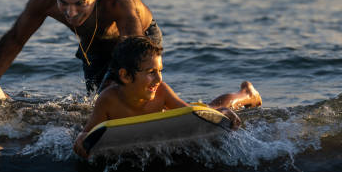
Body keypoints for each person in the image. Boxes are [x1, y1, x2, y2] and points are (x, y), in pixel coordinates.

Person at [0, 0, 162, 92]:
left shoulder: (117, 0)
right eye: (63, 2)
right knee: (96, 102)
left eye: (80, 3)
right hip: (93, 43)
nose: (71, 13)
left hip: (138, 39)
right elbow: (15, 38)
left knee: (118, 93)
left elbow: (134, 50)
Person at [73, 36, 262, 158]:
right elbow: (90, 132)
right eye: (150, 72)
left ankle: (247, 94)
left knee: (214, 106)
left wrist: (221, 112)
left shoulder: (161, 91)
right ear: (125, 75)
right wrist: (82, 140)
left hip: (184, 109)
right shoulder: (108, 100)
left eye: (160, 71)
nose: (159, 78)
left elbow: (192, 113)